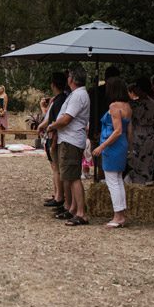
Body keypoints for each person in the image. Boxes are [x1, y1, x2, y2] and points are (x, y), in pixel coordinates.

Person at [48, 66, 90, 226]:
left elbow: (66, 119)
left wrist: (52, 126)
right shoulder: (76, 94)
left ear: (72, 79)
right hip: (68, 139)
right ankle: (73, 208)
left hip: (72, 140)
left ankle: (81, 213)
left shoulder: (78, 95)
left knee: (73, 178)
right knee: (68, 175)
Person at [93, 77, 132, 228]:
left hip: (112, 145)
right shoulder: (127, 106)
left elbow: (117, 131)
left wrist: (101, 146)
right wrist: (129, 145)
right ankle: (121, 213)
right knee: (118, 179)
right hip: (122, 144)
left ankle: (118, 216)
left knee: (112, 181)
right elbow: (129, 129)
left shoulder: (114, 106)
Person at [38, 72, 68, 212]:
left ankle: (59, 196)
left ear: (53, 85)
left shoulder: (60, 101)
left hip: (53, 138)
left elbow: (54, 122)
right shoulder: (58, 100)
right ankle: (57, 193)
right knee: (54, 168)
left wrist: (54, 142)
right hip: (51, 137)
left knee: (56, 169)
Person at [126, 78, 154, 184]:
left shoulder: (132, 105)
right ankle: (147, 183)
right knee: (148, 164)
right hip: (150, 135)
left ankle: (135, 185)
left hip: (136, 134)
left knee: (135, 163)